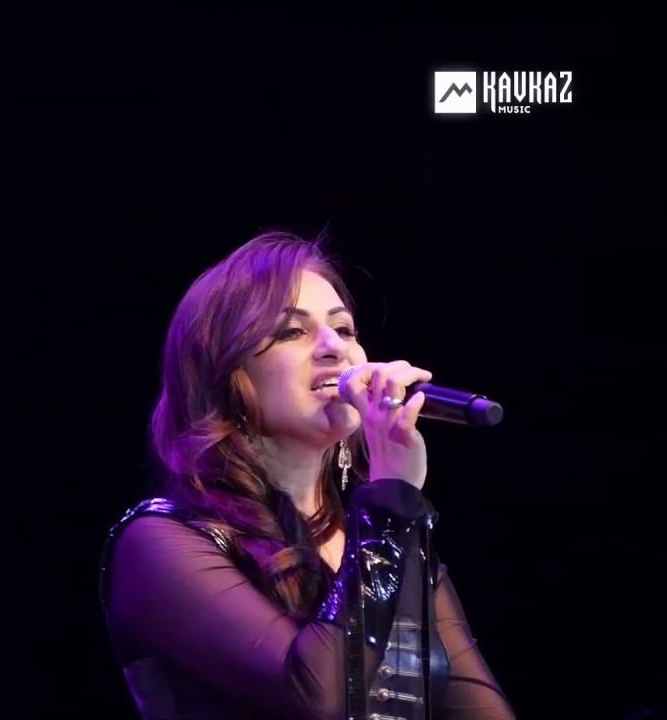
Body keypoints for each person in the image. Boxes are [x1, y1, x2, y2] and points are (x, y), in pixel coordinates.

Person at [99, 231, 514, 719]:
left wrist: (392, 517)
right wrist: (392, 502)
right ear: (227, 377)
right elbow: (317, 696)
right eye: (292, 332)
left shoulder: (391, 538)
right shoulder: (158, 543)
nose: (334, 348)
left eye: (344, 329)